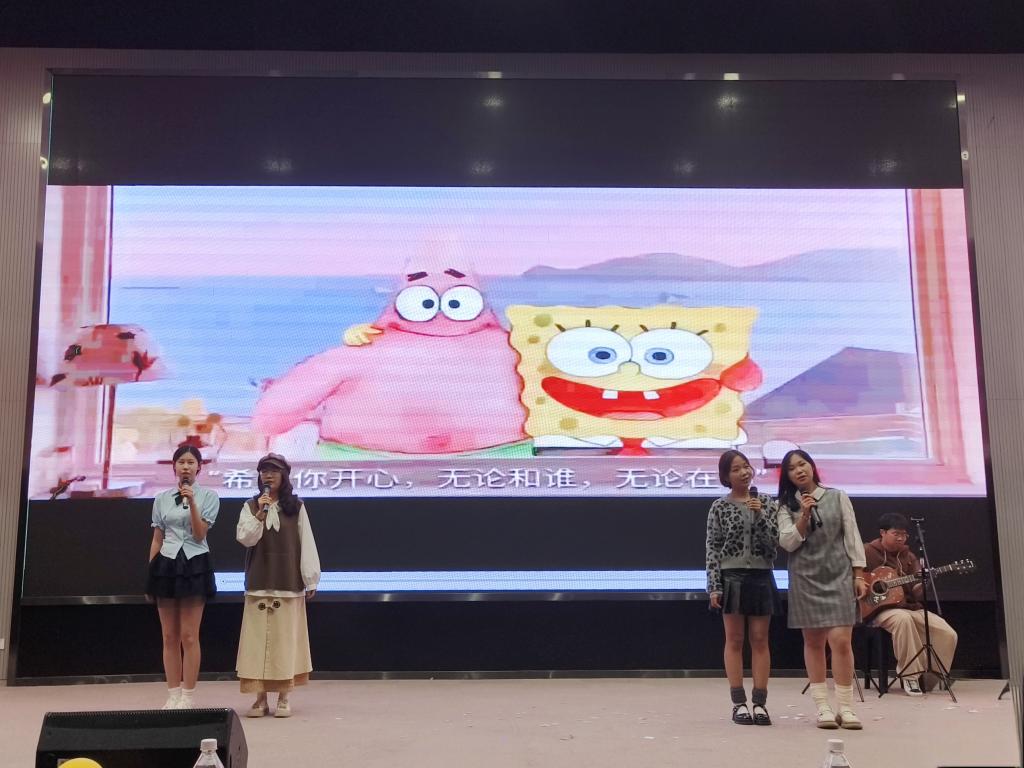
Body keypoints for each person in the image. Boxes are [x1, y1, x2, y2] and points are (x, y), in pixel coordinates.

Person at [777, 449, 868, 730]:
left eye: (802, 464)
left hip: (839, 574)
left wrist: (859, 573)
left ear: (812, 466)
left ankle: (846, 707)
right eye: (792, 468)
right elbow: (788, 542)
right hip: (805, 577)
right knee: (814, 642)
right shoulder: (785, 505)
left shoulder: (837, 496)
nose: (799, 470)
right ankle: (823, 707)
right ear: (787, 476)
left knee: (841, 641)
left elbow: (852, 535)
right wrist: (804, 515)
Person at [236, 453, 321, 718]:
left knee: (285, 641)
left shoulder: (296, 506)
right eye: (264, 471)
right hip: (259, 580)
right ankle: (260, 698)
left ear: (284, 475)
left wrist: (310, 577)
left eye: (274, 471)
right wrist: (259, 514)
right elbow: (245, 538)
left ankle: (284, 696)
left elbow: (306, 540)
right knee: (257, 642)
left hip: (287, 580)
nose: (268, 475)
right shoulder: (251, 505)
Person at [706, 450, 781, 726]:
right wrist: (714, 586)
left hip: (761, 575)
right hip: (732, 577)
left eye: (746, 466)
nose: (744, 472)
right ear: (726, 476)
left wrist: (759, 515)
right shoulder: (719, 507)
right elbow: (712, 548)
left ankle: (760, 703)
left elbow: (774, 543)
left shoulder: (766, 502)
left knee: (760, 639)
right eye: (736, 469)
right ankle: (738, 703)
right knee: (734, 639)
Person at [146, 445, 220, 709]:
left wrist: (192, 503)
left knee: (189, 635)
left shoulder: (209, 496)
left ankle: (188, 695)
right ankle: (173, 693)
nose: (186, 467)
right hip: (166, 565)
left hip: (194, 563)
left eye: (191, 462)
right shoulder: (162, 498)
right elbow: (157, 538)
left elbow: (200, 534)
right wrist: (151, 574)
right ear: (174, 467)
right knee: (169, 636)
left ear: (199, 467)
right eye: (181, 462)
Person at [864, 512, 958, 695]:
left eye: (904, 535)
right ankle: (910, 677)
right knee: (903, 620)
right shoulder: (867, 551)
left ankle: (930, 678)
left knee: (947, 632)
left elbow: (916, 592)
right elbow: (854, 576)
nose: (901, 538)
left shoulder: (909, 556)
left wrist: (925, 581)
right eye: (896, 534)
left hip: (908, 606)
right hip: (878, 609)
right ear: (883, 532)